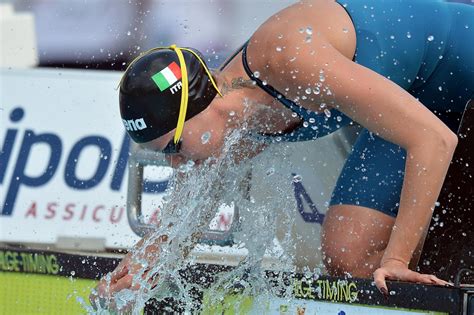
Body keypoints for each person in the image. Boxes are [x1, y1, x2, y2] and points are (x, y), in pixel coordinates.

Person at [94, 0, 474, 306]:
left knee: (392, 261)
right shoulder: (232, 122)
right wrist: (147, 262)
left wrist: (397, 261)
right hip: (418, 98)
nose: (176, 163)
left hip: (460, 63)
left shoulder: (289, 58)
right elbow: (189, 212)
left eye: (175, 146)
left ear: (199, 108)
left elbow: (434, 140)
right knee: (348, 257)